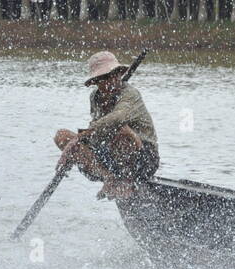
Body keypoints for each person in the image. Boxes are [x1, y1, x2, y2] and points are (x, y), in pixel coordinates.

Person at [54, 51, 160, 201]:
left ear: (119, 74)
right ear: (96, 81)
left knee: (123, 132)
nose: (112, 79)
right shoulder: (95, 98)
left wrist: (80, 137)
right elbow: (98, 135)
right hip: (111, 156)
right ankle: (109, 178)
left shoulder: (130, 94)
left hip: (142, 158)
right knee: (62, 136)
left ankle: (127, 181)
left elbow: (118, 118)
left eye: (115, 74)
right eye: (105, 77)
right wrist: (75, 148)